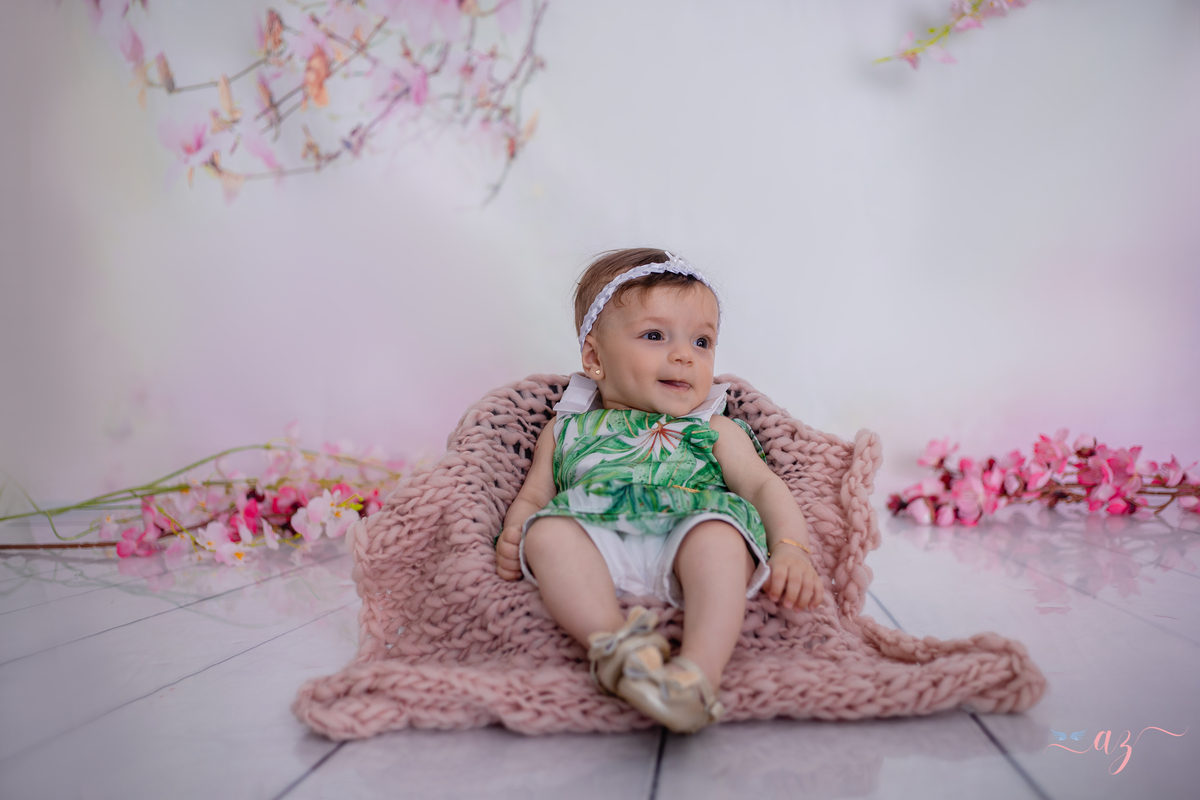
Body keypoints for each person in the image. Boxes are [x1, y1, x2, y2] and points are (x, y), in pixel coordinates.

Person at [494, 248, 824, 733]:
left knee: (719, 536)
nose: (684, 355)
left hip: (687, 534)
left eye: (702, 341)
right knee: (547, 534)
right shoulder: (566, 429)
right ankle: (620, 649)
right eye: (655, 335)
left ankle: (698, 675)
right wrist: (517, 529)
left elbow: (762, 486)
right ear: (595, 358)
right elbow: (534, 495)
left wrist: (792, 548)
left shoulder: (712, 427)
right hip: (597, 540)